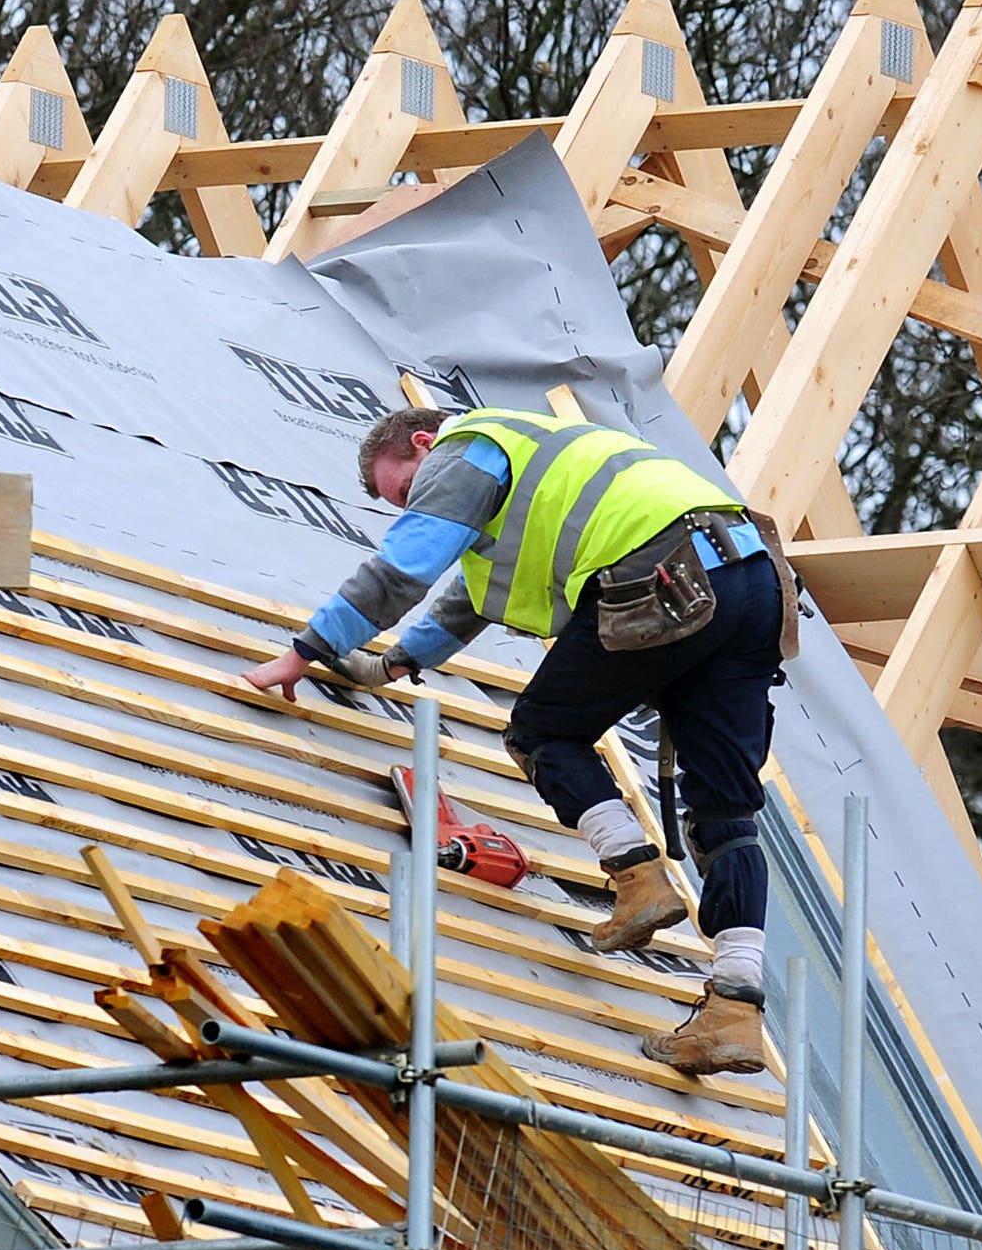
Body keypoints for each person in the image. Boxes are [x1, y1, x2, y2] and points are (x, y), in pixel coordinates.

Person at [239, 403, 796, 1076]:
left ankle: (638, 876)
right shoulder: (536, 466)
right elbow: (472, 598)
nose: (415, 508)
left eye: (408, 491)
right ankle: (736, 1007)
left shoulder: (469, 448)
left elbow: (403, 569)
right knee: (727, 815)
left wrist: (305, 650)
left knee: (542, 732)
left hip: (664, 569)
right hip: (752, 575)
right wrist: (390, 663)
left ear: (424, 443)